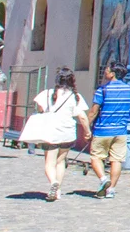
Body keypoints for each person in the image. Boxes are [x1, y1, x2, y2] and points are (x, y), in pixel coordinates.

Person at [19, 69, 89, 198]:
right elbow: (82, 117)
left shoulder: (47, 94)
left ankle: (53, 182)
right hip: (67, 132)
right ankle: (58, 191)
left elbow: (40, 109)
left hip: (50, 132)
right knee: (61, 161)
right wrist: (87, 132)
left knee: (49, 163)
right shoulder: (75, 96)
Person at [86, 63, 130, 195]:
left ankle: (103, 179)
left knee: (96, 157)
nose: (105, 71)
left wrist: (86, 127)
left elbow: (93, 112)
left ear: (112, 73)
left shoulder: (102, 90)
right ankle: (111, 190)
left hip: (102, 130)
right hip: (120, 131)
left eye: (107, 69)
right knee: (116, 160)